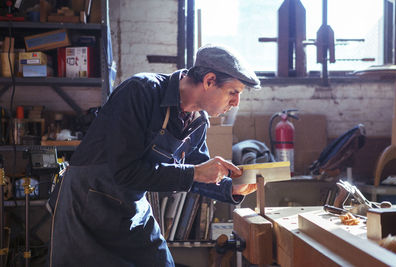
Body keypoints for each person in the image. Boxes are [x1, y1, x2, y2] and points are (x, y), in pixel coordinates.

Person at [48, 44, 260, 267]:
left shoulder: (198, 121)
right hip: (88, 202)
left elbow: (196, 172)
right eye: (233, 93)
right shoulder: (141, 91)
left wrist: (230, 187)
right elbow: (124, 171)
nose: (236, 102)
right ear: (208, 81)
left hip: (131, 205)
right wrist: (196, 172)